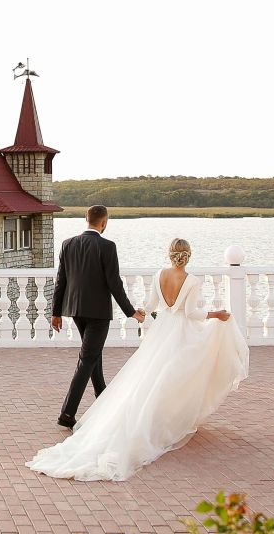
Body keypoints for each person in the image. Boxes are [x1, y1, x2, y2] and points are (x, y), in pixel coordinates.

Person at [29, 237, 250, 482]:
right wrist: (216, 314)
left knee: (150, 376)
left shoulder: (159, 275)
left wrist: (141, 312)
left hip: (162, 330)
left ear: (170, 254)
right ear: (188, 255)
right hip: (180, 333)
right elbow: (191, 313)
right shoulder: (192, 281)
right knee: (176, 377)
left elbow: (151, 305)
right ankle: (166, 422)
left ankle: (153, 418)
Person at [49, 205, 145, 428]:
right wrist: (131, 312)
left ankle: (103, 400)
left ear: (86, 219)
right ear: (104, 222)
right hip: (98, 313)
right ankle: (67, 414)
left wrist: (56, 312)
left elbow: (61, 281)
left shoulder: (67, 244)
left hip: (75, 310)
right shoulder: (107, 246)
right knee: (87, 359)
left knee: (93, 356)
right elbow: (114, 283)